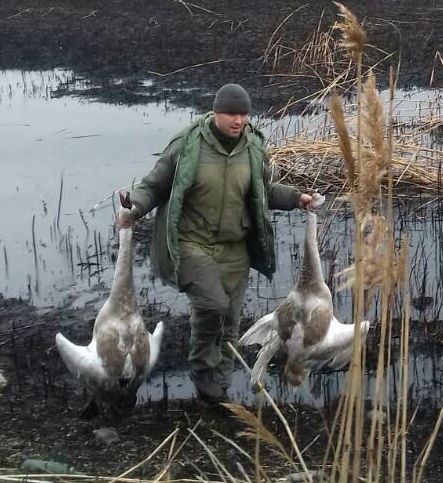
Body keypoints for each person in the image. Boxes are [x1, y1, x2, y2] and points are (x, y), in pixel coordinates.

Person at [116, 83, 315, 404]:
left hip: (235, 248)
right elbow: (153, 185)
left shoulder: (252, 148)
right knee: (212, 305)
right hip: (193, 243)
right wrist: (134, 207)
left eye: (243, 114)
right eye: (231, 113)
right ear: (216, 113)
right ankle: (203, 373)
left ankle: (217, 390)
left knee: (230, 325)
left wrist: (296, 197)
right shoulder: (188, 145)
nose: (238, 120)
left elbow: (264, 192)